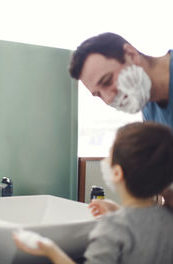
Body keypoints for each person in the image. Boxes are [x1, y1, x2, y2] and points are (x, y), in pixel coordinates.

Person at [14, 122, 173, 263]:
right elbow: (142, 225)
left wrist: (51, 250)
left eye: (109, 155)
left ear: (117, 173)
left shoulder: (113, 226)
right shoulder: (168, 218)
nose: (105, 161)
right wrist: (118, 210)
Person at [69, 32, 173, 210]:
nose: (109, 98)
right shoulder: (148, 106)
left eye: (107, 81)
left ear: (131, 55)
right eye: (98, 94)